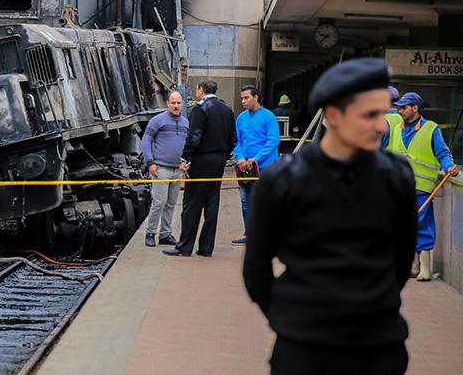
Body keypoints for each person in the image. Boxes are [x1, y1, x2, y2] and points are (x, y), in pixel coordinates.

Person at [243, 58, 417, 375]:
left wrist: (371, 304)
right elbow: (256, 269)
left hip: (380, 348)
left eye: (385, 114)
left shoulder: (396, 177)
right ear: (333, 115)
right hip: (305, 350)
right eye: (371, 115)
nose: (382, 126)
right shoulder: (283, 182)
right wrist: (292, 318)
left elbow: (402, 259)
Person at [385, 91, 458, 281]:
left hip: (421, 188)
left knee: (422, 224)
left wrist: (449, 166)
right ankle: (414, 265)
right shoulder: (397, 129)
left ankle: (426, 267)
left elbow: (442, 152)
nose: (399, 110)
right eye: (399, 107)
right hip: (399, 187)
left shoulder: (431, 129)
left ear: (415, 108)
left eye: (403, 107)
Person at [163, 80, 236, 257]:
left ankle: (184, 246)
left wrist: (184, 158)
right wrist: (223, 156)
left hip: (202, 160)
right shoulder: (227, 109)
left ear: (201, 90)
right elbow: (233, 139)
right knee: (212, 204)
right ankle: (206, 248)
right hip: (219, 160)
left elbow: (194, 137)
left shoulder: (201, 108)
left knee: (192, 204)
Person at [231, 85, 280, 246]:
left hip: (264, 167)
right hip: (245, 168)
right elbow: (238, 141)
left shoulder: (268, 117)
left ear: (256, 97)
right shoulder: (241, 118)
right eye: (242, 98)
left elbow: (273, 141)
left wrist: (256, 158)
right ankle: (249, 233)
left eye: (246, 98)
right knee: (245, 200)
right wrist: (240, 158)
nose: (243, 101)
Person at [142, 90, 189, 247]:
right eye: (173, 103)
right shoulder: (157, 121)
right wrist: (150, 162)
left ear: (182, 104)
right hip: (160, 168)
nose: (176, 106)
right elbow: (146, 140)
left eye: (179, 103)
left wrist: (184, 163)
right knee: (159, 202)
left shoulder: (185, 123)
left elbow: (186, 146)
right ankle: (150, 233)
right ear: (167, 103)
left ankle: (165, 234)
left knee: (171, 203)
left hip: (177, 169)